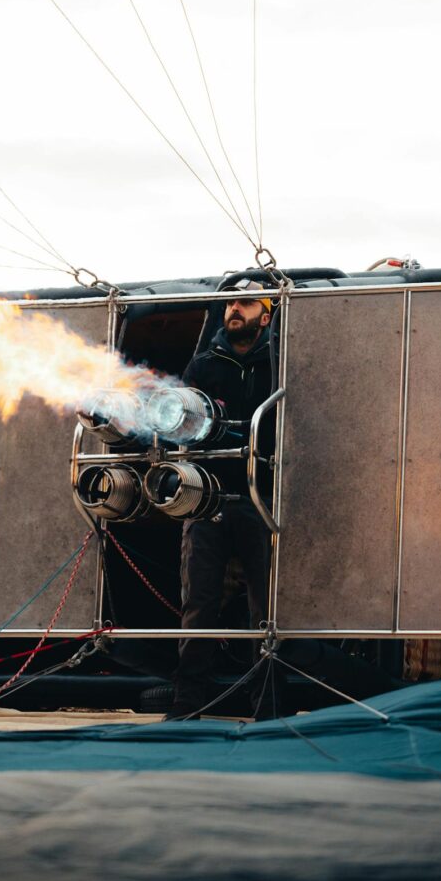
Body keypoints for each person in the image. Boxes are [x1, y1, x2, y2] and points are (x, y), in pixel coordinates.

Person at [166, 278, 279, 720]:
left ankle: (268, 708)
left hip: (263, 498)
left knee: (266, 609)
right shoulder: (201, 365)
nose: (236, 309)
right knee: (199, 603)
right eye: (232, 302)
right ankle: (186, 705)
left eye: (247, 303)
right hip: (207, 500)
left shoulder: (281, 362)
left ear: (265, 315)